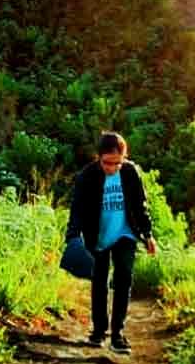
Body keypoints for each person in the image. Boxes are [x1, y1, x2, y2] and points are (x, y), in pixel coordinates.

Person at [65, 132, 158, 355]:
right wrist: (73, 236)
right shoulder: (86, 177)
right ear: (98, 158)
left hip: (125, 234)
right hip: (97, 236)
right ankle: (98, 331)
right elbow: (77, 209)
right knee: (99, 282)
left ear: (124, 158)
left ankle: (118, 334)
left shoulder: (130, 172)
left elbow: (140, 205)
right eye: (108, 163)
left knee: (124, 277)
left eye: (118, 163)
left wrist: (147, 234)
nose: (113, 168)